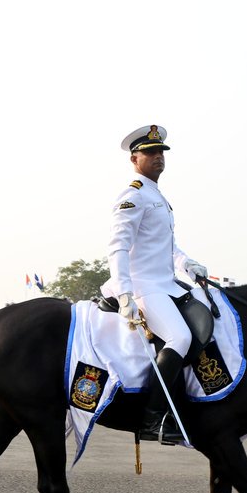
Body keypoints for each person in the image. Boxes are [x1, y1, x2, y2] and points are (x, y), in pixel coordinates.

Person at [101, 124, 208, 445]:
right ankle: (151, 418)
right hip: (144, 286)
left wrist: (187, 264)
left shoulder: (156, 196)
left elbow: (164, 246)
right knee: (180, 336)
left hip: (167, 284)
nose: (158, 157)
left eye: (160, 152)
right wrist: (124, 293)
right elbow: (118, 246)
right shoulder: (133, 195)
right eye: (149, 153)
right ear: (135, 159)